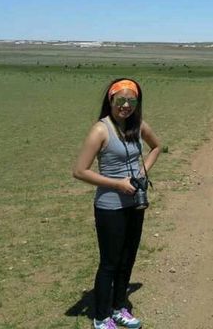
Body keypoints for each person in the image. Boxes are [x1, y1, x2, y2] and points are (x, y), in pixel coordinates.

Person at [73, 78, 161, 329]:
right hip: (110, 206)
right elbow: (79, 171)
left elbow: (156, 147)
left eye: (131, 101)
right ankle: (101, 317)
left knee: (128, 258)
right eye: (120, 100)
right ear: (110, 100)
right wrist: (116, 184)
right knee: (110, 263)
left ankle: (119, 306)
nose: (125, 105)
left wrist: (142, 173)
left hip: (135, 203)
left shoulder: (137, 125)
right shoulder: (101, 130)